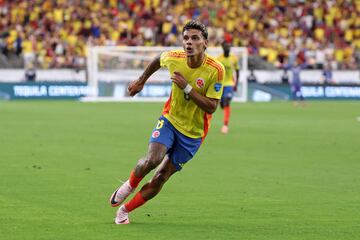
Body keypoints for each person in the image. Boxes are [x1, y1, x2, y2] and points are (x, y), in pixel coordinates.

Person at [109, 20, 225, 225]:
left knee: (161, 177)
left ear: (205, 43)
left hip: (193, 134)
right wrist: (141, 81)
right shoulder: (174, 57)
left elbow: (212, 107)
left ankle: (124, 211)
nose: (189, 42)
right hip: (170, 120)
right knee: (152, 160)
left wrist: (187, 88)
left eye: (195, 38)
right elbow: (156, 60)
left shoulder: (216, 70)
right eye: (186, 38)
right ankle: (129, 185)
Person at [216, 41, 239, 134]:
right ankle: (222, 104)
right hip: (220, 84)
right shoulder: (219, 59)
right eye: (226, 47)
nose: (227, 48)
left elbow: (237, 70)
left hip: (230, 83)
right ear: (223, 48)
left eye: (229, 47)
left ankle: (225, 125)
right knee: (222, 104)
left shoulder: (234, 58)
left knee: (226, 101)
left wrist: (236, 83)